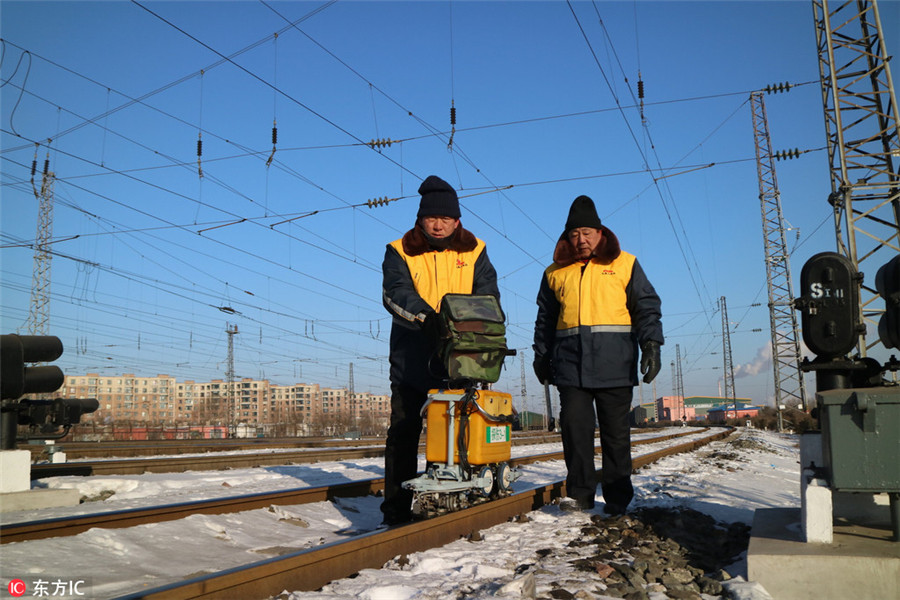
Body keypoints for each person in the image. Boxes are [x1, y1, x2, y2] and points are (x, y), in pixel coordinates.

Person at [381, 174, 500, 525]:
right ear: (420, 219)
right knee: (403, 431)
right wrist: (426, 317)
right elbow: (395, 292)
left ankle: (452, 501)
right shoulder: (399, 250)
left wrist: (480, 333)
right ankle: (396, 509)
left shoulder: (475, 249)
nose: (438, 225)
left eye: (445, 219)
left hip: (460, 356)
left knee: (456, 431)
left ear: (457, 220)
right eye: (431, 218)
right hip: (411, 353)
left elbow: (488, 295)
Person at [533, 195, 662, 515]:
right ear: (567, 237)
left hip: (614, 363)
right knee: (575, 431)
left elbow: (646, 306)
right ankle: (580, 494)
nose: (581, 240)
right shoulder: (554, 273)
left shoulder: (625, 264)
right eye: (574, 234)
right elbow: (545, 319)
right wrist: (541, 355)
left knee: (615, 436)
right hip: (570, 366)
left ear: (600, 232)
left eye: (587, 233)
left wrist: (651, 344)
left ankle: (618, 498)